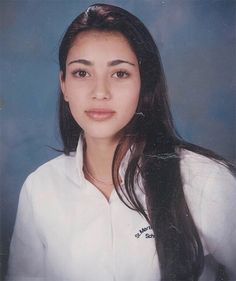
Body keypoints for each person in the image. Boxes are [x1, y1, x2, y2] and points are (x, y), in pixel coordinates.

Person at [6, 3, 236, 281]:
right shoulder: (40, 189)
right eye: (82, 73)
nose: (99, 92)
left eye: (120, 73)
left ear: (145, 84)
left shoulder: (205, 180)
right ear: (64, 85)